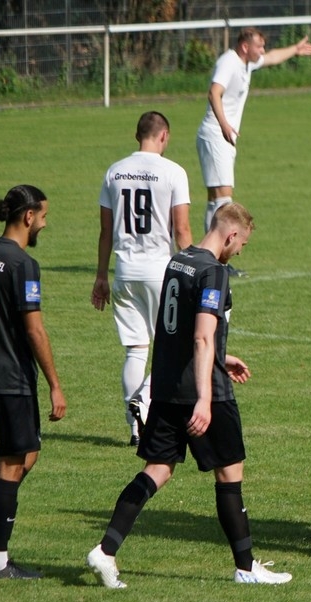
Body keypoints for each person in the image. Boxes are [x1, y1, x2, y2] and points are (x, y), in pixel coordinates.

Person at [86, 202, 292, 588]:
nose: (239, 252)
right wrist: (204, 398)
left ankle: (105, 550)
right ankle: (246, 568)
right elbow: (200, 336)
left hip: (166, 387)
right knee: (229, 472)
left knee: (157, 470)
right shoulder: (214, 272)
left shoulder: (179, 261)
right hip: (203, 391)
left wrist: (221, 355)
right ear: (231, 235)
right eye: (242, 245)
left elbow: (177, 328)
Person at [0, 185, 66, 579]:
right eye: (43, 217)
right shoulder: (22, 264)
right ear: (28, 216)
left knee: (27, 453)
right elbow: (34, 330)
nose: (44, 224)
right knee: (12, 463)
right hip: (10, 376)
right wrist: (55, 384)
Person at [92, 111, 192, 446]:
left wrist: (101, 275)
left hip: (124, 272)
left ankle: (136, 427)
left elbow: (105, 231)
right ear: (164, 135)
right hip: (160, 271)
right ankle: (144, 401)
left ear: (138, 135)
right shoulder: (173, 172)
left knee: (136, 350)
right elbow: (181, 230)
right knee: (174, 347)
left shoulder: (114, 171)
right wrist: (195, 270)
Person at [195, 27, 311, 242]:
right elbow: (214, 92)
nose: (262, 50)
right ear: (245, 47)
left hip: (222, 137)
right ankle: (215, 251)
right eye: (259, 46)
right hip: (216, 135)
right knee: (223, 199)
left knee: (217, 199)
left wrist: (295, 50)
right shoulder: (229, 62)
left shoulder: (246, 64)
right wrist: (224, 125)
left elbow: (272, 57)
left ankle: (211, 252)